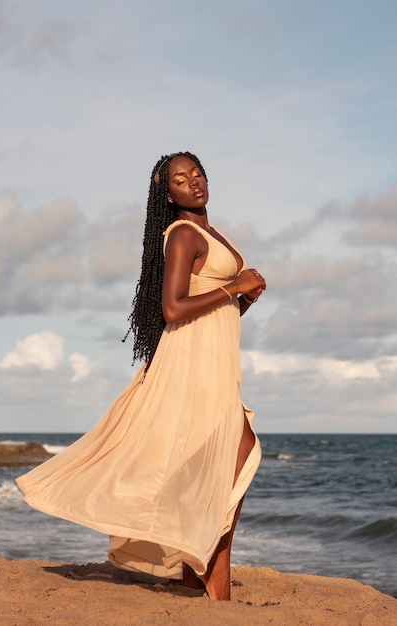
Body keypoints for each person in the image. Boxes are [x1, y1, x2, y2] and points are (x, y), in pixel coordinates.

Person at [16, 151, 266, 601]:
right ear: (166, 194)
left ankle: (196, 568)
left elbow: (214, 306)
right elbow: (173, 309)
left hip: (211, 361)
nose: (192, 183)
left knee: (204, 463)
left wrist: (245, 298)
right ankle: (213, 567)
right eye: (179, 179)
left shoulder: (211, 232)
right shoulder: (184, 235)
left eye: (197, 174)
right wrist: (235, 286)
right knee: (240, 450)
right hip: (192, 363)